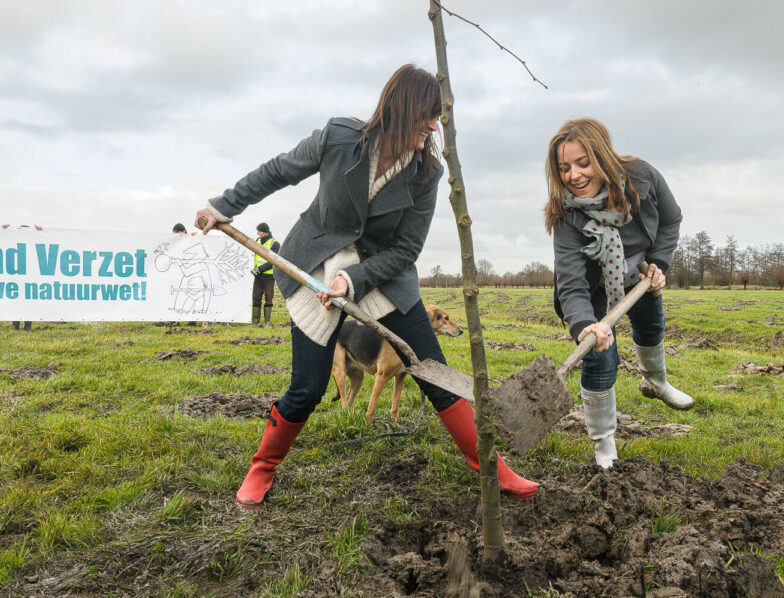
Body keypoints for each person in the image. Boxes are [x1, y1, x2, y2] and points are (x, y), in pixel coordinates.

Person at [196, 64, 538, 508]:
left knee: (433, 370)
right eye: (427, 115)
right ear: (401, 108)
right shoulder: (340, 138)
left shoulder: (425, 174)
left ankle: (493, 468)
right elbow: (278, 171)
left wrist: (353, 278)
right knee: (309, 386)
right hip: (316, 266)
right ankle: (262, 468)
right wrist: (223, 205)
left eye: (438, 117)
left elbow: (405, 250)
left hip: (381, 275)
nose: (434, 125)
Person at [544, 119, 695, 470]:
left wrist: (657, 263)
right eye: (564, 168)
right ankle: (604, 444)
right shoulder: (566, 215)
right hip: (593, 287)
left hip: (639, 271)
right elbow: (571, 283)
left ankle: (656, 381)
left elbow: (671, 219)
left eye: (583, 163)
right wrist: (585, 324)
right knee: (599, 357)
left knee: (651, 324)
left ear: (603, 156)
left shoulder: (642, 178)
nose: (574, 175)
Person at [2, 224, 42, 331]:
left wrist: (41, 230)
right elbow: (2, 238)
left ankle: (27, 326)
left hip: (30, 278)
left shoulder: (33, 245)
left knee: (29, 301)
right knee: (16, 300)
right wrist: (3, 229)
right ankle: (16, 324)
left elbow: (46, 240)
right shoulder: (13, 243)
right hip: (16, 277)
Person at [250, 223, 280, 325]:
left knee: (268, 298)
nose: (257, 233)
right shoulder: (257, 241)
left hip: (269, 277)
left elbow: (274, 261)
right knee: (256, 298)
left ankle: (267, 322)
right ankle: (255, 323)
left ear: (264, 232)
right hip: (257, 276)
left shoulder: (274, 243)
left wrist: (259, 269)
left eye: (259, 231)